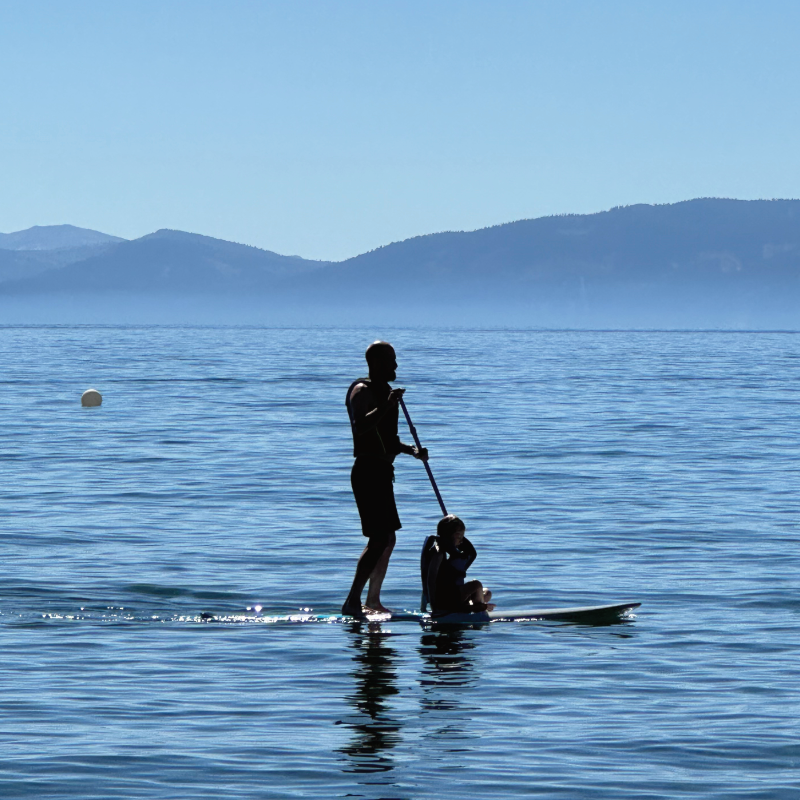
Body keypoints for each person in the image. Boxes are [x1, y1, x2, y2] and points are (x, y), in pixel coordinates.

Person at [342, 341, 428, 619]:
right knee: (379, 538)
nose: (396, 365)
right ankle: (352, 601)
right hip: (367, 472)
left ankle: (372, 600)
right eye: (391, 360)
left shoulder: (384, 392)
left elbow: (388, 440)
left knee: (388, 538)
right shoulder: (362, 390)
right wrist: (387, 405)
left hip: (382, 471)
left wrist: (412, 451)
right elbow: (361, 426)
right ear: (377, 362)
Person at [421, 514, 494, 616]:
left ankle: (472, 606)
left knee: (486, 592)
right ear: (448, 535)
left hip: (454, 595)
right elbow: (430, 580)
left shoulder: (450, 553)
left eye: (462, 537)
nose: (461, 540)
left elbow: (470, 554)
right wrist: (434, 608)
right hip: (445, 600)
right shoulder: (438, 553)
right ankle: (478, 612)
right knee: (476, 585)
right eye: (459, 536)